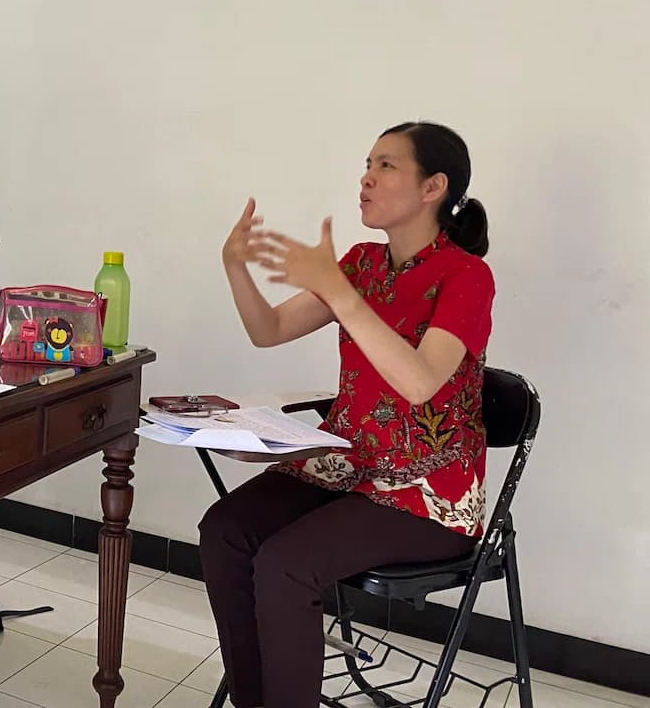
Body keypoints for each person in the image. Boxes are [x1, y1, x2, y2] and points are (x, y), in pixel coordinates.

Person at [200, 121, 494, 708]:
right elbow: (269, 330)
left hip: (427, 491)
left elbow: (417, 381)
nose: (366, 176)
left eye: (387, 165)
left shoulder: (466, 277)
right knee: (225, 531)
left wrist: (340, 294)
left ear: (433, 186)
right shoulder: (361, 264)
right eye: (368, 162)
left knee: (286, 564)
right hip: (348, 466)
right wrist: (235, 267)